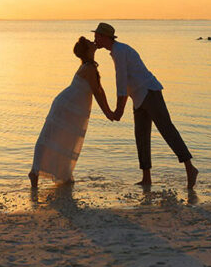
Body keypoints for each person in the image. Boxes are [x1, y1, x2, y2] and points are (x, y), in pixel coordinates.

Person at [92, 22, 198, 189]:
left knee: (166, 130)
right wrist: (120, 108)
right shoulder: (116, 52)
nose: (95, 39)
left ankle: (190, 168)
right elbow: (126, 84)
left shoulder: (120, 51)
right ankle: (146, 178)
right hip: (138, 96)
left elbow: (121, 82)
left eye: (97, 36)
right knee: (141, 136)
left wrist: (118, 110)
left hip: (150, 92)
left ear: (105, 37)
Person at [29, 36, 114, 188]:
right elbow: (97, 92)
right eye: (90, 43)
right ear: (88, 50)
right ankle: (34, 172)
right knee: (50, 137)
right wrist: (108, 112)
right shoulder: (88, 68)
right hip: (67, 106)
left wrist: (109, 111)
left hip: (73, 107)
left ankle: (63, 173)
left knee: (67, 140)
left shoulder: (89, 66)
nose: (93, 43)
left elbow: (100, 91)